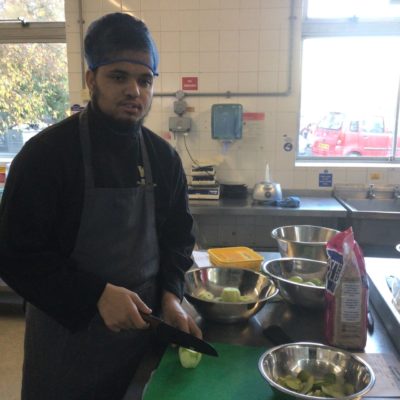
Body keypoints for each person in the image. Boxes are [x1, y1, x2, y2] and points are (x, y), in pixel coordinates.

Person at [0, 12, 201, 400]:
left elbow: (178, 238)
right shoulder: (46, 156)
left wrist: (171, 296)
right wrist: (94, 294)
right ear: (91, 78)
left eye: (145, 80)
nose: (134, 91)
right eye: (118, 76)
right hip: (66, 344)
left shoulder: (163, 158)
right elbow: (15, 255)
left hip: (144, 341)